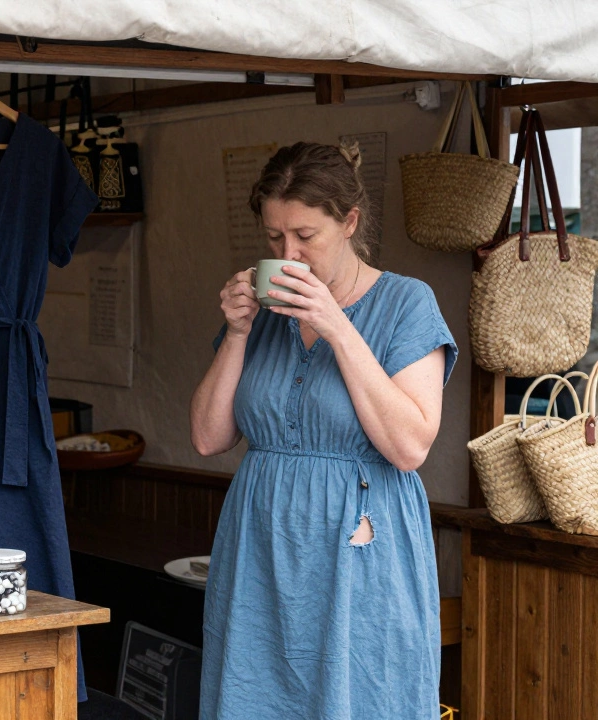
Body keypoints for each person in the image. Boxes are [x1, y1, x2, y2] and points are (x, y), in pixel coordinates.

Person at [189, 141, 457, 719]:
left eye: (305, 236)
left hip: (359, 558)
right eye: (274, 238)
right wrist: (235, 334)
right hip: (260, 553)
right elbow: (209, 438)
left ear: (350, 222)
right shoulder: (264, 317)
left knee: (357, 700)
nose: (289, 253)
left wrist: (336, 326)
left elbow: (410, 447)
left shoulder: (408, 304)